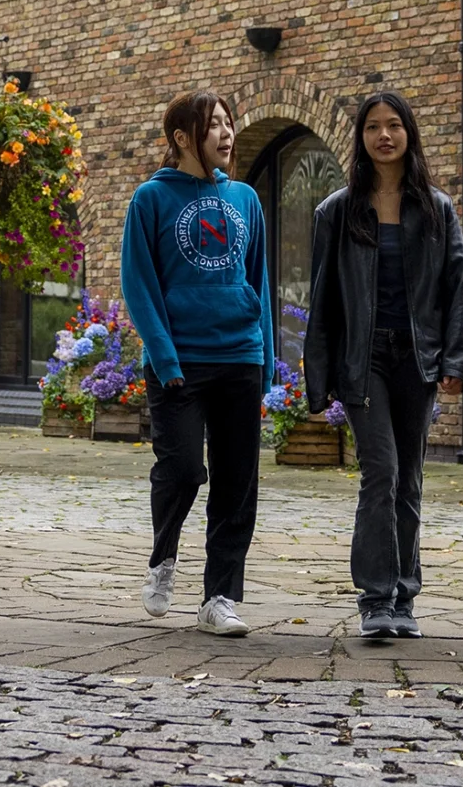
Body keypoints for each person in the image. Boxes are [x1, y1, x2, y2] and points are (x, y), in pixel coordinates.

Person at [303, 91, 463, 640]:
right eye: (373, 127)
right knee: (382, 472)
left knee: (411, 480)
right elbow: (323, 298)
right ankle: (375, 599)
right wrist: (319, 375)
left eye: (393, 125)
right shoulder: (337, 210)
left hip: (418, 361)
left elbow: (457, 291)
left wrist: (455, 360)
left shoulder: (439, 210)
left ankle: (404, 597)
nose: (384, 136)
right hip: (364, 359)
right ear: (361, 139)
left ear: (408, 134)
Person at [118, 90, 274, 637]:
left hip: (239, 357)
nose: (227, 134)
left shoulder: (248, 200)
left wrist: (267, 361)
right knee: (183, 470)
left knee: (238, 484)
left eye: (229, 123)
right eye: (214, 126)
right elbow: (138, 284)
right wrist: (164, 356)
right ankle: (163, 557)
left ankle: (221, 598)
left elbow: (259, 281)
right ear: (183, 138)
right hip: (178, 362)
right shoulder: (150, 200)